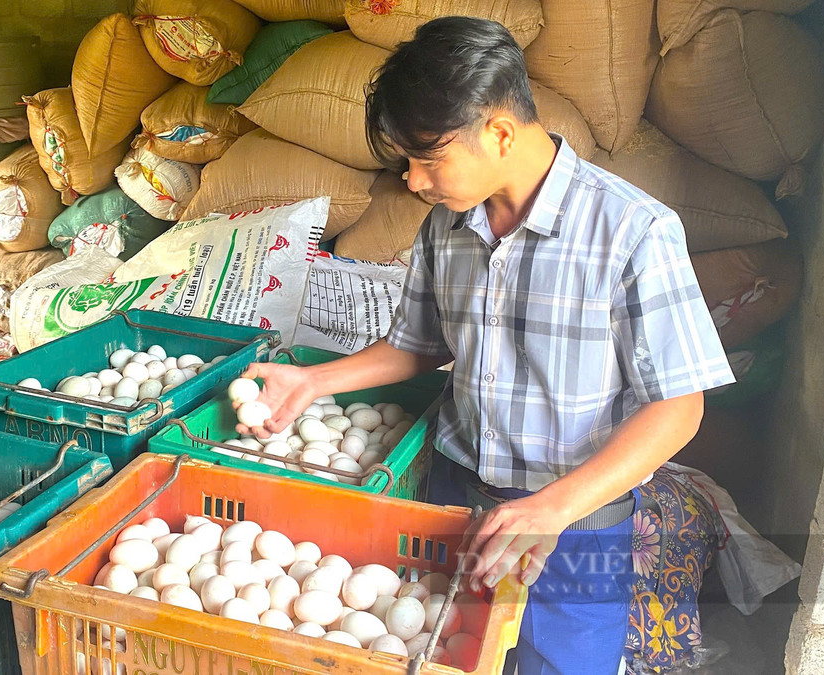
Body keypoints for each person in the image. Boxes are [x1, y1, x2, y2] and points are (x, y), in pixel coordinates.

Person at [235, 16, 735, 674]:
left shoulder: (633, 231)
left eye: (427, 159)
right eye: (406, 163)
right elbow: (417, 345)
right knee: (443, 656)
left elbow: (679, 406)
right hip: (456, 503)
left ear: (499, 131)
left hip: (575, 525)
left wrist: (552, 507)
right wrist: (314, 382)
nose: (413, 181)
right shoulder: (447, 226)